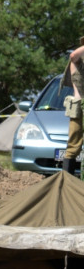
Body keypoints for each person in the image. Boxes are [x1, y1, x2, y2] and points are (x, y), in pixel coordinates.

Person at [59, 36, 84, 174]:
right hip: (80, 105)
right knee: (74, 143)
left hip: (79, 103)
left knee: (73, 143)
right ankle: (68, 180)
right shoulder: (78, 60)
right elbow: (73, 55)